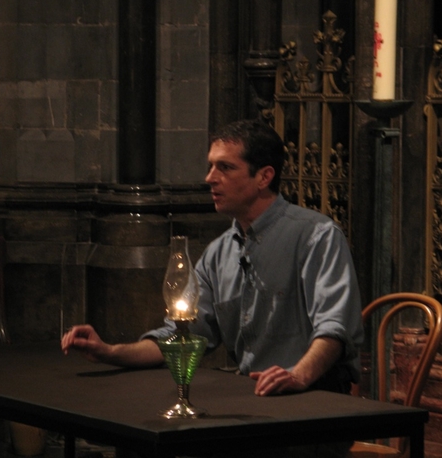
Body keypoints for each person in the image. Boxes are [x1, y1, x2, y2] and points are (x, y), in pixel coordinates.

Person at [62, 119, 363, 400]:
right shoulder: (219, 253)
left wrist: (299, 375)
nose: (210, 178)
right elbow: (182, 334)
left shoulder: (317, 236)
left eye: (225, 168)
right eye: (210, 166)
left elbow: (335, 328)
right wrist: (110, 351)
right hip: (257, 396)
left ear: (264, 176)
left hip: (314, 399)